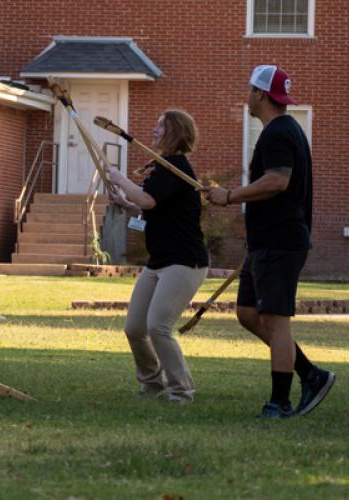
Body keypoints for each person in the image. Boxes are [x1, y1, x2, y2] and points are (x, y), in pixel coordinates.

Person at [202, 65, 335, 418]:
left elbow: (278, 181)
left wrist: (229, 195)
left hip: (281, 241)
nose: (246, 95)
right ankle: (311, 374)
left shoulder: (278, 133)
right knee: (248, 314)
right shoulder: (281, 130)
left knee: (276, 320)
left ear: (260, 94)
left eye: (249, 90)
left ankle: (279, 402)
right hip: (264, 243)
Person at [106, 110, 209, 405]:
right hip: (160, 260)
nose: (155, 130)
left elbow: (147, 199)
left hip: (184, 262)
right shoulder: (162, 169)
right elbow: (149, 211)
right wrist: (126, 204)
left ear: (175, 133)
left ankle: (182, 390)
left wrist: (120, 178)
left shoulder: (174, 167)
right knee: (135, 328)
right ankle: (153, 384)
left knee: (158, 327)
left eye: (161, 126)